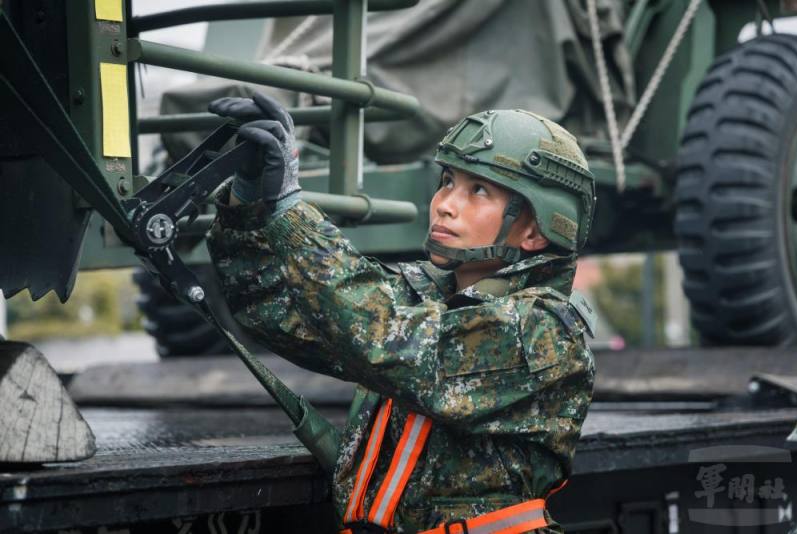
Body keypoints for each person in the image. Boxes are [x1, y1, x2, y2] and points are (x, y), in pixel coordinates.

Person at [206, 93, 597, 534]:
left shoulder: (545, 330)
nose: (446, 202)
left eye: (479, 190)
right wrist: (250, 203)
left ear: (535, 229)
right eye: (447, 181)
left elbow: (386, 341)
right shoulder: (424, 298)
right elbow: (277, 312)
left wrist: (291, 210)